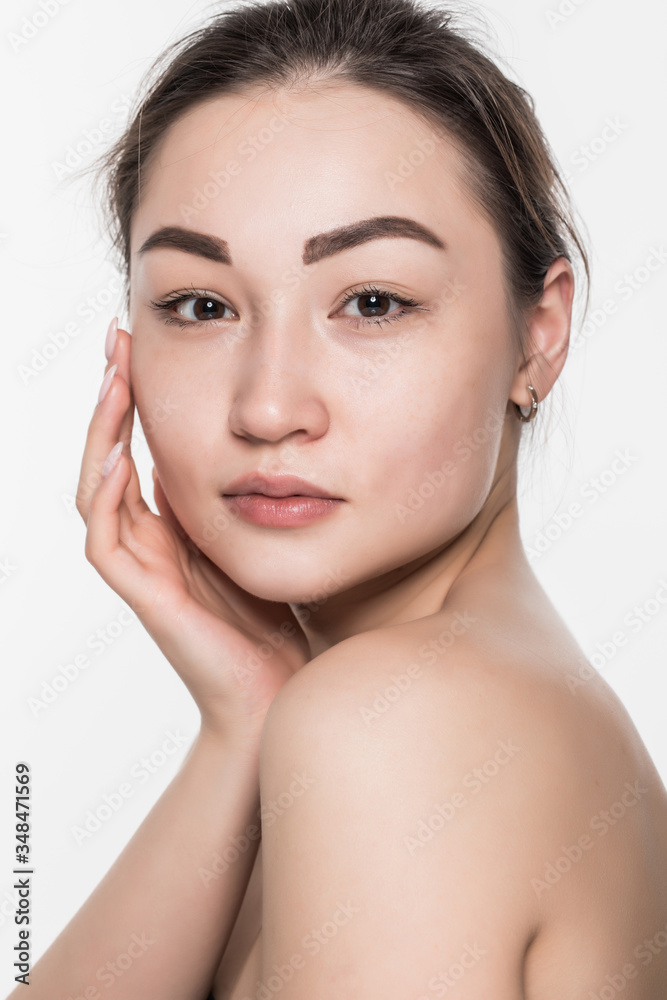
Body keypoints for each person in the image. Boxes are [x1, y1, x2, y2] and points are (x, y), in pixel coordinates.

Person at [14, 0, 667, 997]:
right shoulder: (492, 703)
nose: (269, 404)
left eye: (371, 302)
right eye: (201, 306)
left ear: (538, 335)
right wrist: (243, 716)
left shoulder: (394, 731)